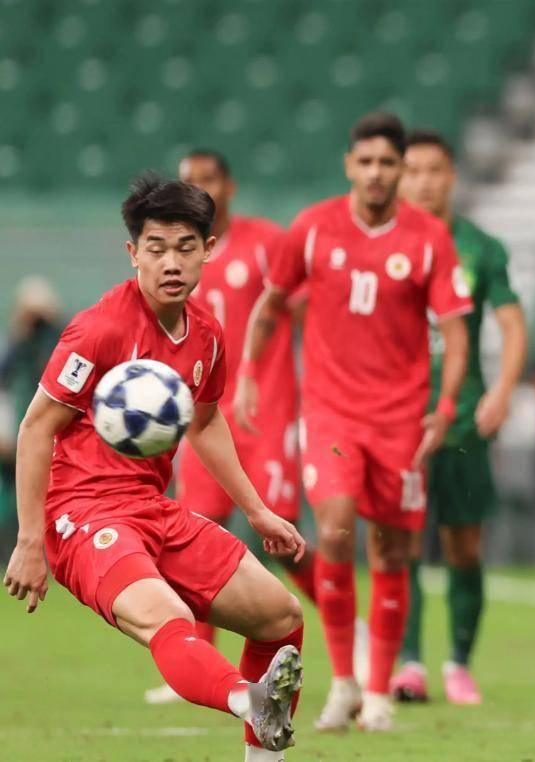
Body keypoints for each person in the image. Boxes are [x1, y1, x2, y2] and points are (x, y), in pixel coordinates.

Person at [2, 175, 306, 761]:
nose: (171, 262)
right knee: (168, 617)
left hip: (153, 509)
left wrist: (257, 511)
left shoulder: (206, 335)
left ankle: (263, 753)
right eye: (157, 248)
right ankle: (248, 700)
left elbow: (206, 423)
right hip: (83, 515)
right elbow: (36, 428)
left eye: (185, 247)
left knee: (280, 616)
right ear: (133, 252)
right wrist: (31, 541)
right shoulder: (100, 329)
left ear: (208, 250)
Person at [236, 112, 471, 732]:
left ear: (399, 169)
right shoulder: (313, 228)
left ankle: (379, 691)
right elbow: (270, 305)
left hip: (400, 420)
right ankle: (343, 682)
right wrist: (250, 371)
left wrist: (445, 407)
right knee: (336, 530)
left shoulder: (427, 238)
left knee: (390, 549)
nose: (376, 173)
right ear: (349, 165)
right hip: (331, 413)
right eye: (365, 161)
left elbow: (455, 331)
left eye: (387, 163)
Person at [142, 149, 313, 706]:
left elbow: (305, 312)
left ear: (229, 186)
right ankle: (201, 657)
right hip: (201, 417)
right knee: (195, 533)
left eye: (207, 180)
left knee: (282, 535)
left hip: (265, 413)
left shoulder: (267, 243)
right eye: (188, 181)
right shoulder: (173, 258)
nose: (198, 189)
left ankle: (343, 624)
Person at [389, 129, 526, 705]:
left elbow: (512, 324)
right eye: (412, 170)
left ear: (452, 177)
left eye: (434, 170)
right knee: (402, 546)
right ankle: (408, 664)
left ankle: (459, 663)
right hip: (397, 419)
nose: (423, 181)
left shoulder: (480, 248)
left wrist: (504, 391)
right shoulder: (385, 244)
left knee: (463, 547)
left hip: (464, 418)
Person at [0, 277, 64, 535]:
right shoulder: (16, 346)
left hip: (53, 434)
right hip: (19, 433)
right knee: (16, 497)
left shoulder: (59, 341)